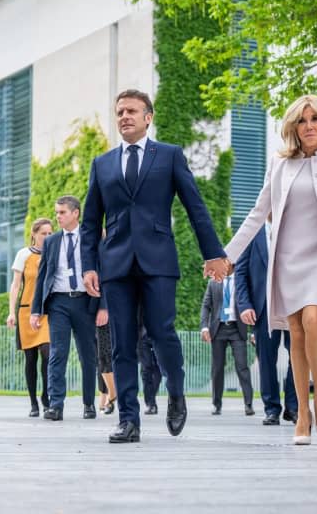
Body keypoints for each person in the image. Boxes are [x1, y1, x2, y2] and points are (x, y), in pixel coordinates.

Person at [81, 89, 230, 443]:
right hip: (115, 263)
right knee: (121, 343)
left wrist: (213, 253)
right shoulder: (102, 164)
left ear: (148, 117)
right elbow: (90, 222)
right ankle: (128, 420)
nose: (124, 117)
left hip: (158, 260)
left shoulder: (169, 156)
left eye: (132, 111)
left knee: (163, 333)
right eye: (119, 112)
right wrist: (89, 266)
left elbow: (195, 207)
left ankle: (176, 394)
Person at [221, 94, 317, 445]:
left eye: (315, 119)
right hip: (287, 257)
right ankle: (302, 412)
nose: (308, 127)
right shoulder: (279, 162)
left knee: (315, 320)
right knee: (296, 336)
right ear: (293, 127)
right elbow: (258, 213)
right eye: (302, 121)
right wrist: (227, 256)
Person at [31, 196, 101, 421]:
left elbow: (105, 272)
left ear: (75, 213)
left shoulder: (91, 238)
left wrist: (104, 307)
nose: (58, 216)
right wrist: (35, 310)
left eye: (62, 212)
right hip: (58, 302)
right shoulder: (51, 242)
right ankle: (56, 405)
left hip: (85, 301)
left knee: (88, 355)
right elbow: (42, 277)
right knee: (57, 353)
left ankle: (89, 403)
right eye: (57, 212)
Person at [234, 224, 298, 425]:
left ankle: (293, 407)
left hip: (294, 304)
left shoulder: (295, 227)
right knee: (266, 361)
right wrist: (244, 305)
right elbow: (241, 272)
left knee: (298, 357)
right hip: (263, 308)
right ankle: (271, 409)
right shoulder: (253, 232)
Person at [6, 218, 53, 417]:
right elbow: (16, 285)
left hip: (47, 312)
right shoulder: (23, 254)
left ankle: (46, 397)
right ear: (34, 234)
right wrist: (11, 312)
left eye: (50, 233)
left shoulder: (54, 253)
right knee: (30, 358)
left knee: (47, 354)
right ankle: (33, 402)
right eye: (44, 233)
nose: (47, 237)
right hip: (26, 310)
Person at [200, 275, 254, 416]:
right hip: (218, 329)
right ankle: (216, 404)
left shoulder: (242, 280)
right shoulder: (213, 282)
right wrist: (204, 327)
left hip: (237, 329)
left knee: (242, 366)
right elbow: (206, 305)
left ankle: (248, 404)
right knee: (217, 368)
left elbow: (251, 305)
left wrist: (254, 330)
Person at [95, 308, 117, 414]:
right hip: (92, 308)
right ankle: (104, 396)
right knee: (100, 356)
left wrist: (104, 307)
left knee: (105, 354)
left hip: (108, 309)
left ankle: (112, 394)